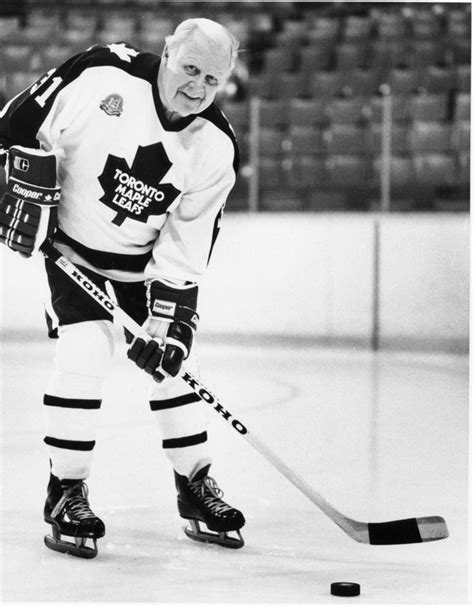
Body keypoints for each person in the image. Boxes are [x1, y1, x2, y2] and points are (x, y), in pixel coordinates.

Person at [0, 17, 245, 558]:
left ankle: (195, 484)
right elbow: (15, 125)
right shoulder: (100, 73)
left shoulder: (215, 147)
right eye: (190, 69)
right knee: (84, 354)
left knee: (177, 368)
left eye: (213, 78)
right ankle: (65, 490)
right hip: (71, 253)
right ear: (166, 52)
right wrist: (13, 184)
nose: (198, 88)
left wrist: (169, 321)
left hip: (143, 267)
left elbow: (186, 245)